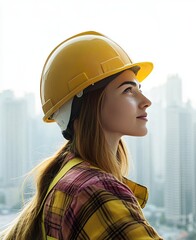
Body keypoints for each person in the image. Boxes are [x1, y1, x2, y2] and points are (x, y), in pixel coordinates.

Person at [0, 31, 163, 239]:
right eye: (128, 90)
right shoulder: (97, 192)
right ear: (89, 103)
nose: (146, 100)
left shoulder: (66, 174)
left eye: (139, 88)